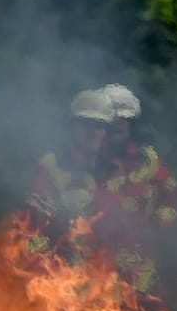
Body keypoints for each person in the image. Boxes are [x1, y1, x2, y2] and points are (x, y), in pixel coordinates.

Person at [90, 83, 177, 297]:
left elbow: (172, 194)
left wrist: (158, 224)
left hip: (140, 267)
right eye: (112, 125)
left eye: (124, 123)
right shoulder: (88, 160)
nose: (118, 131)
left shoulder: (148, 159)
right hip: (96, 266)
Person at [26, 88, 114, 262]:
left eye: (99, 126)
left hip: (101, 271)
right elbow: (33, 224)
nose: (93, 132)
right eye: (86, 124)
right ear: (72, 127)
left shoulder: (112, 172)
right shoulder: (51, 165)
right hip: (58, 269)